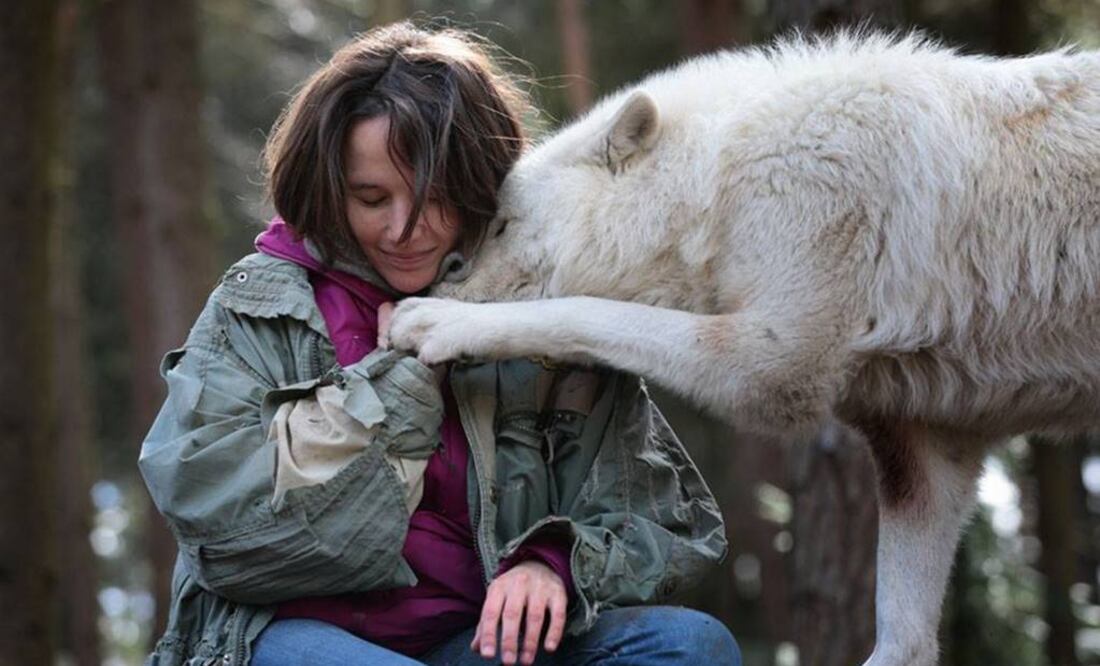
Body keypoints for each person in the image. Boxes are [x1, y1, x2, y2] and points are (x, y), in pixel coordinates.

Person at [139, 21, 739, 666]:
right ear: (328, 187)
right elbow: (223, 534)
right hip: (285, 641)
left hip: (474, 643)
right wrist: (405, 374)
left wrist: (555, 563)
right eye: (372, 198)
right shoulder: (255, 307)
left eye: (435, 198)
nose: (404, 229)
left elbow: (659, 517)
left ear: (483, 183)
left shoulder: (539, 308)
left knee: (690, 646)